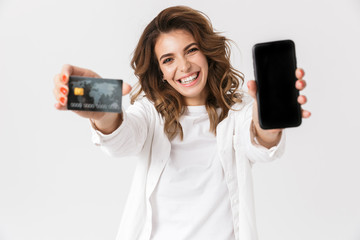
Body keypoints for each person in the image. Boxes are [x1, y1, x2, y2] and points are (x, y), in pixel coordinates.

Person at [53, 6, 310, 240]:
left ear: (207, 53)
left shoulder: (238, 113)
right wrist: (101, 112)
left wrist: (271, 122)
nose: (184, 66)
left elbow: (259, 143)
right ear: (160, 73)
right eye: (168, 59)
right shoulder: (150, 114)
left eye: (191, 50)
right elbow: (122, 139)